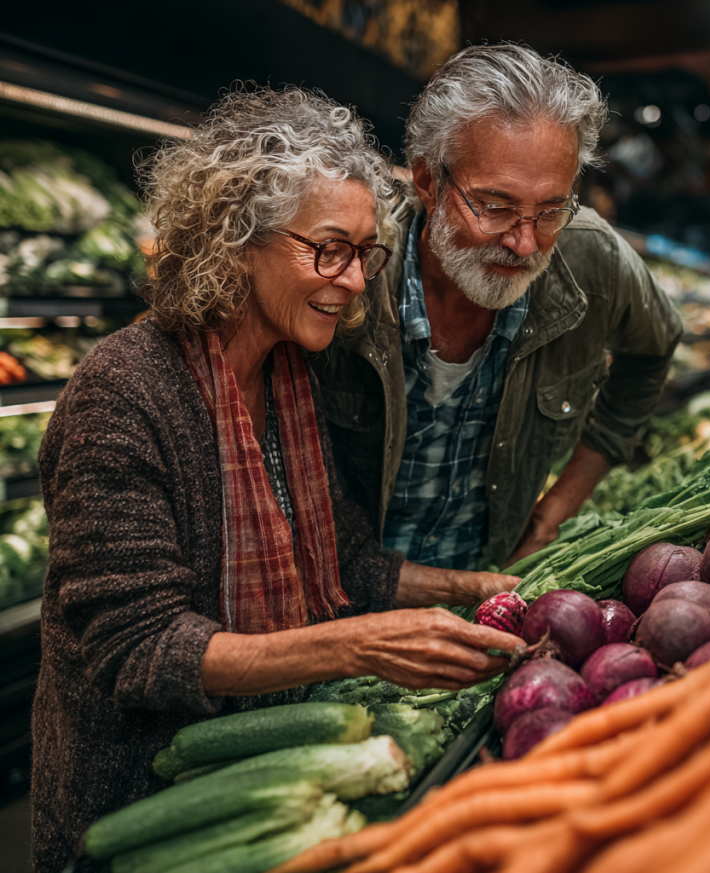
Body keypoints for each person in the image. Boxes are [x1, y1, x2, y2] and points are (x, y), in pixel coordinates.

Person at [30, 86, 522, 873]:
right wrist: (359, 644)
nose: (355, 281)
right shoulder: (122, 394)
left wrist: (475, 587)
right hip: (149, 814)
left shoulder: (293, 378)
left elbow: (349, 561)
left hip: (269, 784)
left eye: (364, 253)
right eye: (328, 248)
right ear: (234, 243)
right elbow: (140, 647)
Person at [312, 44, 684, 572]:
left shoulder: (591, 256)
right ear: (427, 181)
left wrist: (562, 501)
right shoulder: (353, 269)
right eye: (495, 207)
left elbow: (655, 347)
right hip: (338, 605)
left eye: (551, 209)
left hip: (493, 597)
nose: (526, 244)